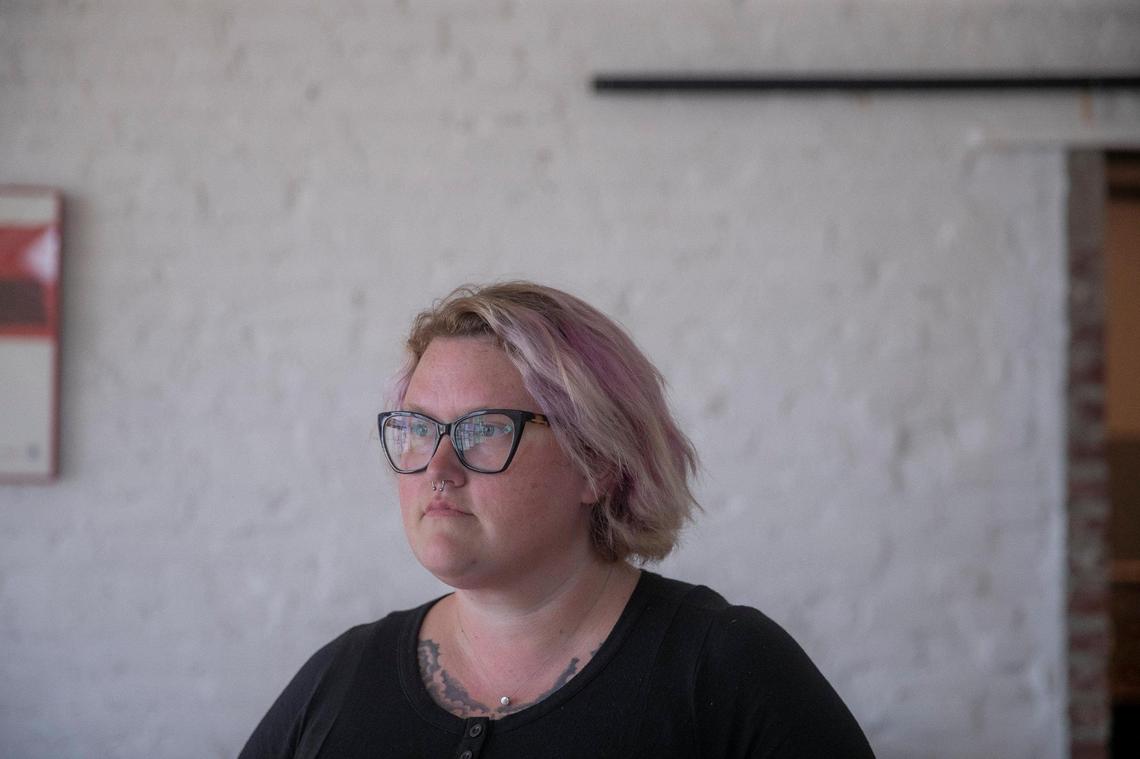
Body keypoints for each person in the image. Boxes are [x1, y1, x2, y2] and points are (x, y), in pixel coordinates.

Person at [239, 281, 875, 758]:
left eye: (484, 430)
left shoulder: (727, 668)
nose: (437, 464)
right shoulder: (343, 677)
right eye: (417, 428)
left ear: (598, 462)